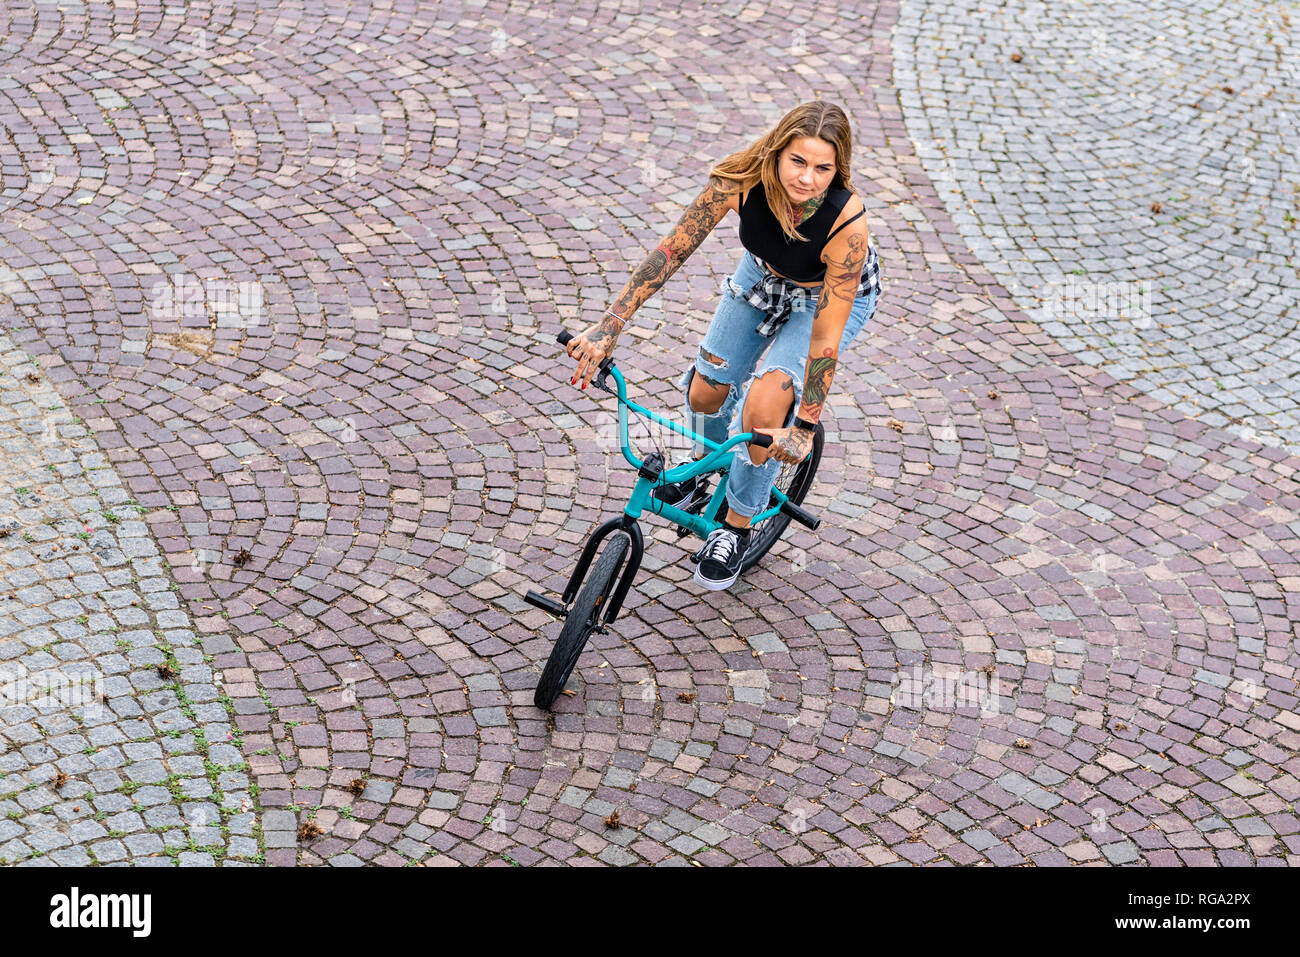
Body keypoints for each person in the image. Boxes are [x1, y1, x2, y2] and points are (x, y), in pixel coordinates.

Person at [566, 101, 882, 590]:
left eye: (824, 168)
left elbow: (824, 340)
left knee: (764, 405)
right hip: (761, 274)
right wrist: (610, 325)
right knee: (704, 392)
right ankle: (706, 463)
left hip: (825, 298)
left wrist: (803, 426)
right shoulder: (740, 180)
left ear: (838, 169)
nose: (807, 179)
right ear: (778, 152)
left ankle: (734, 528)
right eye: (798, 162)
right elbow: (671, 252)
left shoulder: (847, 228)